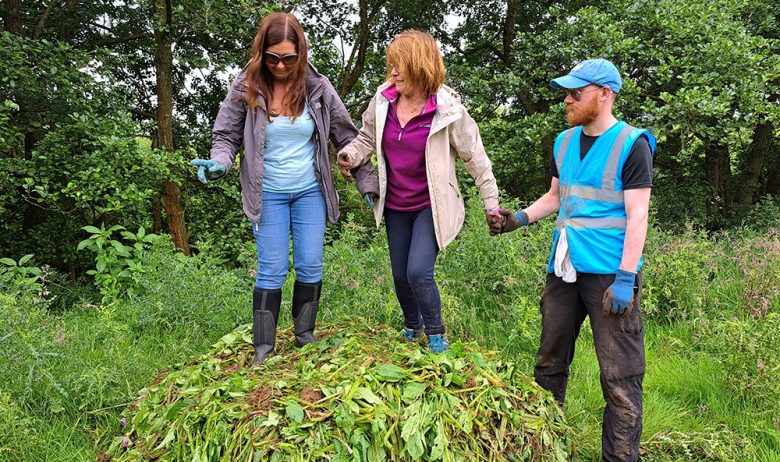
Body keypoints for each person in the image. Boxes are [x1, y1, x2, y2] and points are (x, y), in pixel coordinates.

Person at [490, 58, 656, 461]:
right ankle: (545, 447)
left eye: (575, 93)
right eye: (567, 92)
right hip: (563, 269)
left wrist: (626, 277)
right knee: (549, 361)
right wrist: (518, 219)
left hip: (608, 275)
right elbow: (555, 197)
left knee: (620, 376)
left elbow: (638, 215)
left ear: (604, 94)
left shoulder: (631, 144)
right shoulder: (562, 142)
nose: (567, 99)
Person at [191, 12, 378, 367]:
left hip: (310, 191)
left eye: (288, 58)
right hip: (268, 193)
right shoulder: (245, 85)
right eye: (273, 57)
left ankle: (304, 335)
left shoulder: (318, 88)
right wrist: (220, 162)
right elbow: (226, 136)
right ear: (261, 52)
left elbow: (348, 136)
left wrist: (366, 180)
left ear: (300, 53)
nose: (280, 65)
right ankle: (264, 347)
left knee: (310, 263)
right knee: (272, 269)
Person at [337, 30, 501, 353]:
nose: (393, 72)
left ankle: (437, 336)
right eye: (391, 65)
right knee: (400, 274)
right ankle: (412, 326)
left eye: (399, 65)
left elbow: (476, 158)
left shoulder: (447, 110)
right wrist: (350, 155)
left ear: (419, 65)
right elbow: (366, 138)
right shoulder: (383, 101)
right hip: (396, 204)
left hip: (431, 205)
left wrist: (491, 203)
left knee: (418, 271)